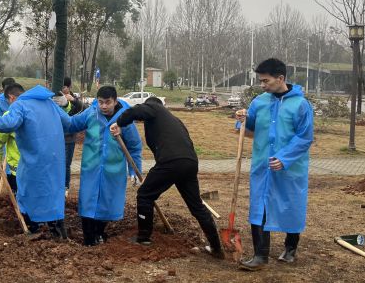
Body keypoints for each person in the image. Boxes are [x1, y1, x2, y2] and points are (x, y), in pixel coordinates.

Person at [110, 96, 223, 256]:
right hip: (189, 162)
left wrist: (119, 123)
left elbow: (136, 111)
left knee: (144, 195)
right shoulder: (174, 120)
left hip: (171, 162)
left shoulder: (155, 107)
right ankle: (216, 248)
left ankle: (143, 237)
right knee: (196, 206)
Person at [235, 58, 314, 270]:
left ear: (280, 78)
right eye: (260, 81)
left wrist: (285, 158)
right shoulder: (259, 102)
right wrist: (241, 119)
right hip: (262, 165)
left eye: (266, 81)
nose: (262, 85)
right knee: (258, 206)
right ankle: (260, 255)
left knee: (291, 206)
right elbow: (249, 129)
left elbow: (305, 137)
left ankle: (290, 248)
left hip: (290, 168)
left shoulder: (300, 105)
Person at [0, 85, 71, 238]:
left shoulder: (20, 105)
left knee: (28, 192)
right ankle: (58, 234)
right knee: (52, 192)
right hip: (54, 161)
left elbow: (8, 124)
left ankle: (33, 229)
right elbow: (69, 123)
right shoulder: (49, 103)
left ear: (11, 98)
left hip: (33, 162)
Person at [64, 86, 142, 246]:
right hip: (91, 169)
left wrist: (134, 170)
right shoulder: (91, 114)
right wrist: (59, 109)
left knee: (108, 205)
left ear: (115, 101)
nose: (104, 106)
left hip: (113, 172)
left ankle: (99, 232)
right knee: (87, 203)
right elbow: (71, 124)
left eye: (107, 102)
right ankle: (88, 240)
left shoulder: (124, 120)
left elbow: (134, 146)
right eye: (100, 102)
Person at [0, 83, 24, 197]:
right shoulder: (36, 112)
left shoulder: (9, 115)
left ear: (11, 97)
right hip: (35, 168)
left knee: (19, 198)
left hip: (17, 169)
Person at [61, 77, 85, 194]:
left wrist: (74, 101)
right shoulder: (54, 98)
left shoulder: (74, 100)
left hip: (69, 137)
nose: (61, 89)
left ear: (69, 87)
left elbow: (85, 109)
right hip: (55, 137)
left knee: (66, 163)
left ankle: (65, 186)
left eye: (64, 87)